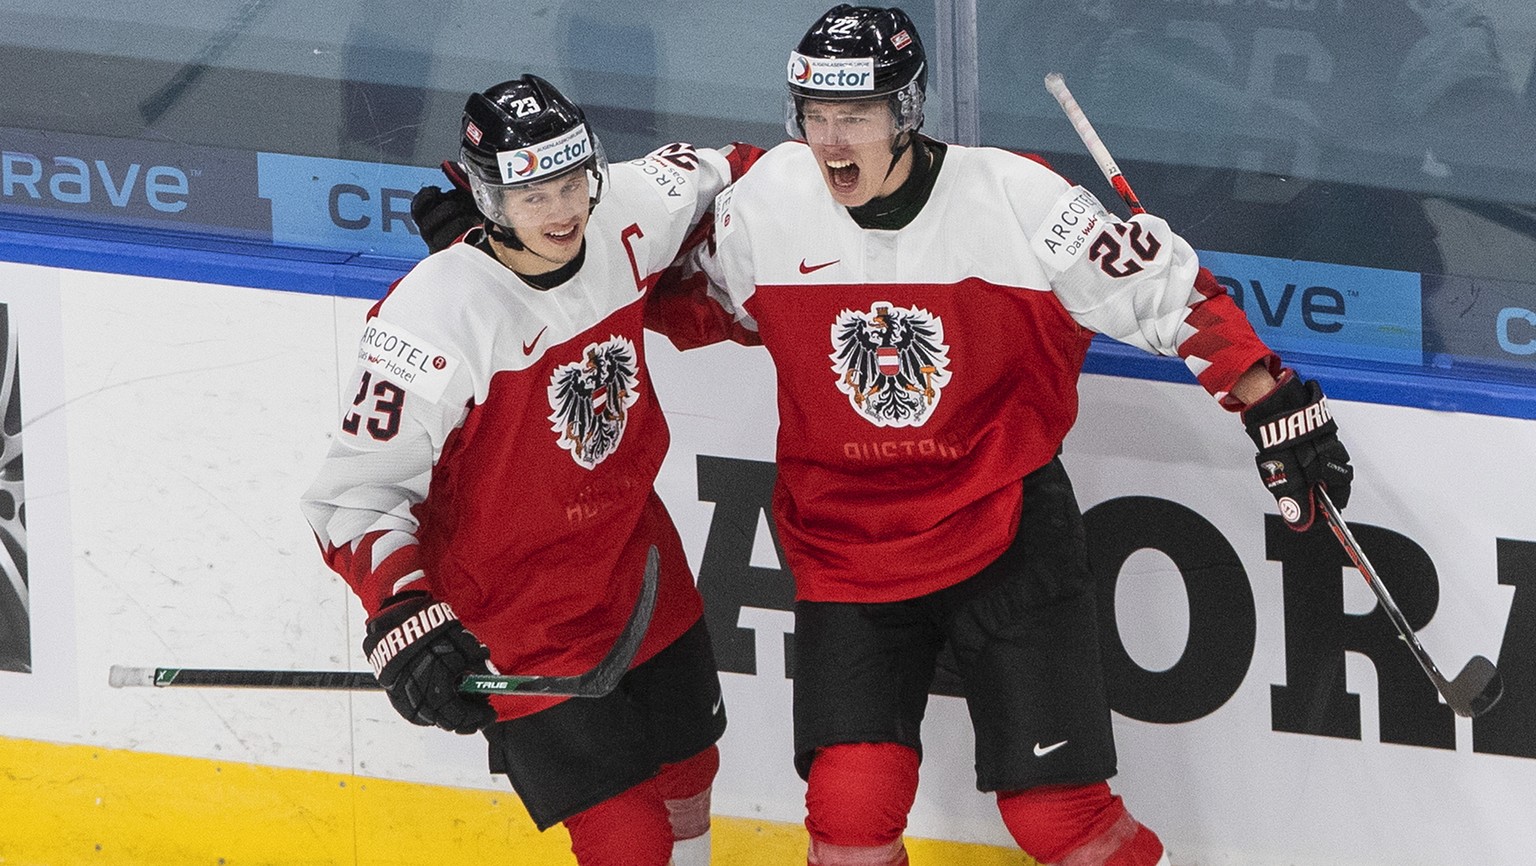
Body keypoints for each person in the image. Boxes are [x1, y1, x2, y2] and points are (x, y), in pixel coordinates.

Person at [686, 6, 1354, 865]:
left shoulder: (1015, 195)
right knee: (851, 817)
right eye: (812, 116)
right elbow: (682, 296)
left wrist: (1273, 404)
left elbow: (1161, 294)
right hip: (848, 546)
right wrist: (513, 265)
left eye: (854, 116)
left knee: (1058, 820)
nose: (830, 141)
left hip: (1003, 526)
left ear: (908, 111)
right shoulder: (767, 205)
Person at [301, 74, 759, 866]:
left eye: (572, 180)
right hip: (517, 617)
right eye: (532, 194)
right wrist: (402, 615)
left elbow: (747, 168)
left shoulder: (628, 210)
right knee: (627, 840)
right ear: (485, 197)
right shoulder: (428, 318)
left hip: (638, 567)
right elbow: (354, 496)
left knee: (691, 770)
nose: (563, 210)